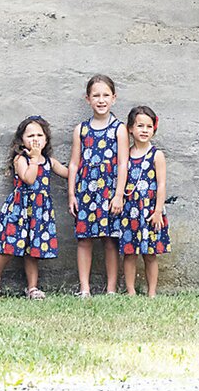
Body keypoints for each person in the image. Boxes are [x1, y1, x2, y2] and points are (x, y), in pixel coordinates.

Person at [0, 115, 67, 299]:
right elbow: (29, 178)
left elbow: (68, 174)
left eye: (40, 135)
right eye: (30, 136)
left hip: (39, 212)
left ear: (46, 140)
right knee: (9, 247)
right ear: (21, 140)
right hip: (19, 210)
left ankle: (32, 287)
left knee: (33, 251)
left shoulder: (49, 161)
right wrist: (34, 159)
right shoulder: (20, 159)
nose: (35, 139)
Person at [67, 73, 128, 296]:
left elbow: (123, 163)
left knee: (110, 241)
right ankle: (85, 289)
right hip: (85, 193)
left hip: (110, 192)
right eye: (96, 95)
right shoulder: (81, 130)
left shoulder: (119, 129)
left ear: (114, 98)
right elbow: (74, 164)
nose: (101, 100)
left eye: (105, 95)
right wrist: (71, 195)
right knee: (84, 240)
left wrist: (119, 194)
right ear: (88, 99)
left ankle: (111, 289)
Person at [120, 104, 170, 296]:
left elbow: (161, 185)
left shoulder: (156, 155)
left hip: (150, 211)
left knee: (150, 253)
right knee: (130, 252)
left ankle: (152, 292)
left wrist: (158, 211)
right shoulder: (126, 155)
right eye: (140, 126)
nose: (144, 130)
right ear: (131, 128)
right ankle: (131, 290)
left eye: (149, 127)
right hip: (130, 211)